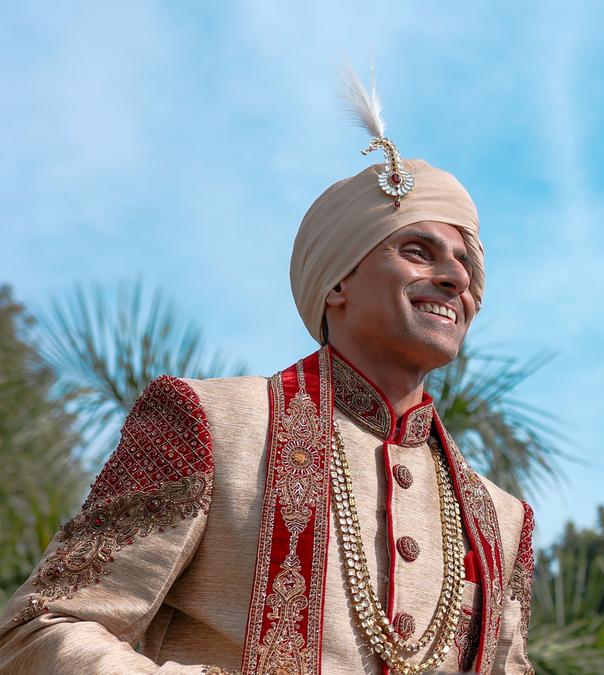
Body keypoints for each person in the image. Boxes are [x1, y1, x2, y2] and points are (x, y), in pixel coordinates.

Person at [0, 68, 535, 674]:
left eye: (466, 264)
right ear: (337, 281)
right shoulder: (212, 425)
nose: (457, 277)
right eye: (417, 251)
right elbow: (41, 631)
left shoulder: (501, 519)